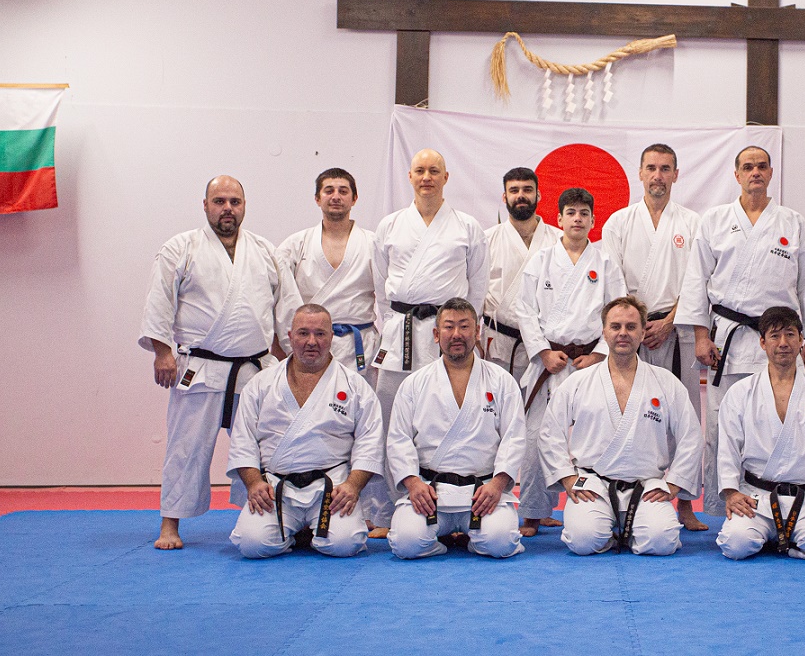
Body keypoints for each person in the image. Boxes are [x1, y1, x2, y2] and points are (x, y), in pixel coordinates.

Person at [139, 175, 301, 550]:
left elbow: (287, 308)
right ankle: (170, 524)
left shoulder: (265, 250)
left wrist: (291, 357)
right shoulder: (181, 247)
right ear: (205, 205)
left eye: (234, 202)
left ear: (244, 206)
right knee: (186, 447)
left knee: (263, 448)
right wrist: (162, 352)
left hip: (255, 370)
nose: (227, 208)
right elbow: (159, 300)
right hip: (199, 367)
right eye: (219, 201)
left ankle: (260, 515)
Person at [677, 145, 805, 518]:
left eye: (761, 166)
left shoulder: (793, 223)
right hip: (728, 340)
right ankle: (723, 505)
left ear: (770, 173)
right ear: (736, 175)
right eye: (748, 167)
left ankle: (782, 504)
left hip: (780, 341)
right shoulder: (715, 220)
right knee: (722, 425)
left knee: (781, 420)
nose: (755, 172)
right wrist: (701, 335)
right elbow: (697, 280)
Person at [371, 148, 489, 537]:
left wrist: (465, 331)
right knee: (390, 420)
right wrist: (392, 322)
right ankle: (387, 509)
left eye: (434, 171)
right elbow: (380, 287)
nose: (427, 177)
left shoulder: (467, 226)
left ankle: (452, 505)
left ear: (446, 177)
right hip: (401, 333)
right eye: (420, 170)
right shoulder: (390, 225)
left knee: (446, 416)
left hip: (448, 333)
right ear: (410, 176)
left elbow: (477, 287)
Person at [539, 297, 703, 556]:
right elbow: (550, 432)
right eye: (615, 327)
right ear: (604, 332)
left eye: (631, 326)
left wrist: (674, 484)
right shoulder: (579, 382)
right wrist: (568, 478)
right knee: (583, 540)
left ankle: (628, 530)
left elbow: (691, 436)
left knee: (662, 542)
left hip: (647, 487)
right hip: (592, 485)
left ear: (642, 332)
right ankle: (614, 529)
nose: (623, 333)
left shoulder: (666, 382)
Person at [601, 143, 706, 531]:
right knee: (629, 410)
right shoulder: (619, 223)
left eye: (665, 168)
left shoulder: (692, 223)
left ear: (676, 175)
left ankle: (685, 503)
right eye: (651, 168)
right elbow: (613, 280)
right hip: (633, 331)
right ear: (640, 173)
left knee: (684, 415)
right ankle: (620, 494)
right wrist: (637, 324)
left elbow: (697, 280)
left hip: (677, 330)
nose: (658, 176)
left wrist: (670, 321)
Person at [227, 304, 384, 558]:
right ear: (290, 337)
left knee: (344, 544)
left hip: (331, 489)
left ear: (331, 337)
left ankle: (303, 530)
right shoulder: (261, 384)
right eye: (303, 333)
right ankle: (298, 530)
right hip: (275, 487)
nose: (312, 342)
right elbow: (243, 440)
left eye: (320, 334)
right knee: (252, 544)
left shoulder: (354, 385)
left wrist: (353, 486)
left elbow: (370, 442)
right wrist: (254, 482)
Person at [515, 187, 627, 536]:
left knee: (594, 436)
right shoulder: (542, 260)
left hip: (589, 362)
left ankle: (603, 506)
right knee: (537, 436)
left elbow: (618, 311)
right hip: (549, 361)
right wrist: (542, 352)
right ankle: (534, 511)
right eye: (571, 213)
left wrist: (599, 354)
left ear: (593, 221)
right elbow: (524, 309)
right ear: (559, 219)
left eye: (584, 213)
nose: (577, 219)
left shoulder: (605, 263)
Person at [387, 298, 526, 559]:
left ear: (477, 332)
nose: (456, 335)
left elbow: (514, 438)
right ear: (436, 334)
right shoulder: (414, 384)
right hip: (431, 492)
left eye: (464, 326)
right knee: (406, 543)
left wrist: (498, 484)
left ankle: (471, 539)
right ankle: (445, 541)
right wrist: (413, 483)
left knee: (500, 543)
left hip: (483, 492)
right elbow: (398, 439)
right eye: (449, 327)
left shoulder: (502, 381)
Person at [716, 306, 805, 561]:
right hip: (756, 498)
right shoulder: (740, 392)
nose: (783, 343)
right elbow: (727, 448)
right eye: (775, 336)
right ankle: (781, 538)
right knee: (735, 544)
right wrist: (732, 492)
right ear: (762, 342)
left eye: (790, 334)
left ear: (801, 340)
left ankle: (779, 543)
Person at [277, 168, 383, 383]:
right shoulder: (295, 245)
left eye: (343, 191)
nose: (336, 196)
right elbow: (284, 301)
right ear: (317, 198)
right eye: (329, 191)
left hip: (360, 347)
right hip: (310, 345)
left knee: (360, 401)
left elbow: (387, 296)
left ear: (354, 198)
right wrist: (292, 345)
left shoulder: (373, 243)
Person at [481, 167, 561, 381]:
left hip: (548, 348)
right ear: (504, 197)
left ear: (538, 195)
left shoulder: (559, 240)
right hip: (499, 344)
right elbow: (476, 292)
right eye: (514, 190)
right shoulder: (487, 240)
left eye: (527, 189)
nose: (521, 195)